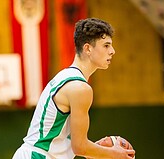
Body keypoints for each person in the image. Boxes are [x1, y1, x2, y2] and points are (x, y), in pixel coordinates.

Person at [12, 18, 135, 159]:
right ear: (88, 48)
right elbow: (80, 147)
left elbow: (76, 145)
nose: (112, 51)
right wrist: (114, 154)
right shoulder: (80, 88)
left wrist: (95, 150)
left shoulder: (67, 76)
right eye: (106, 45)